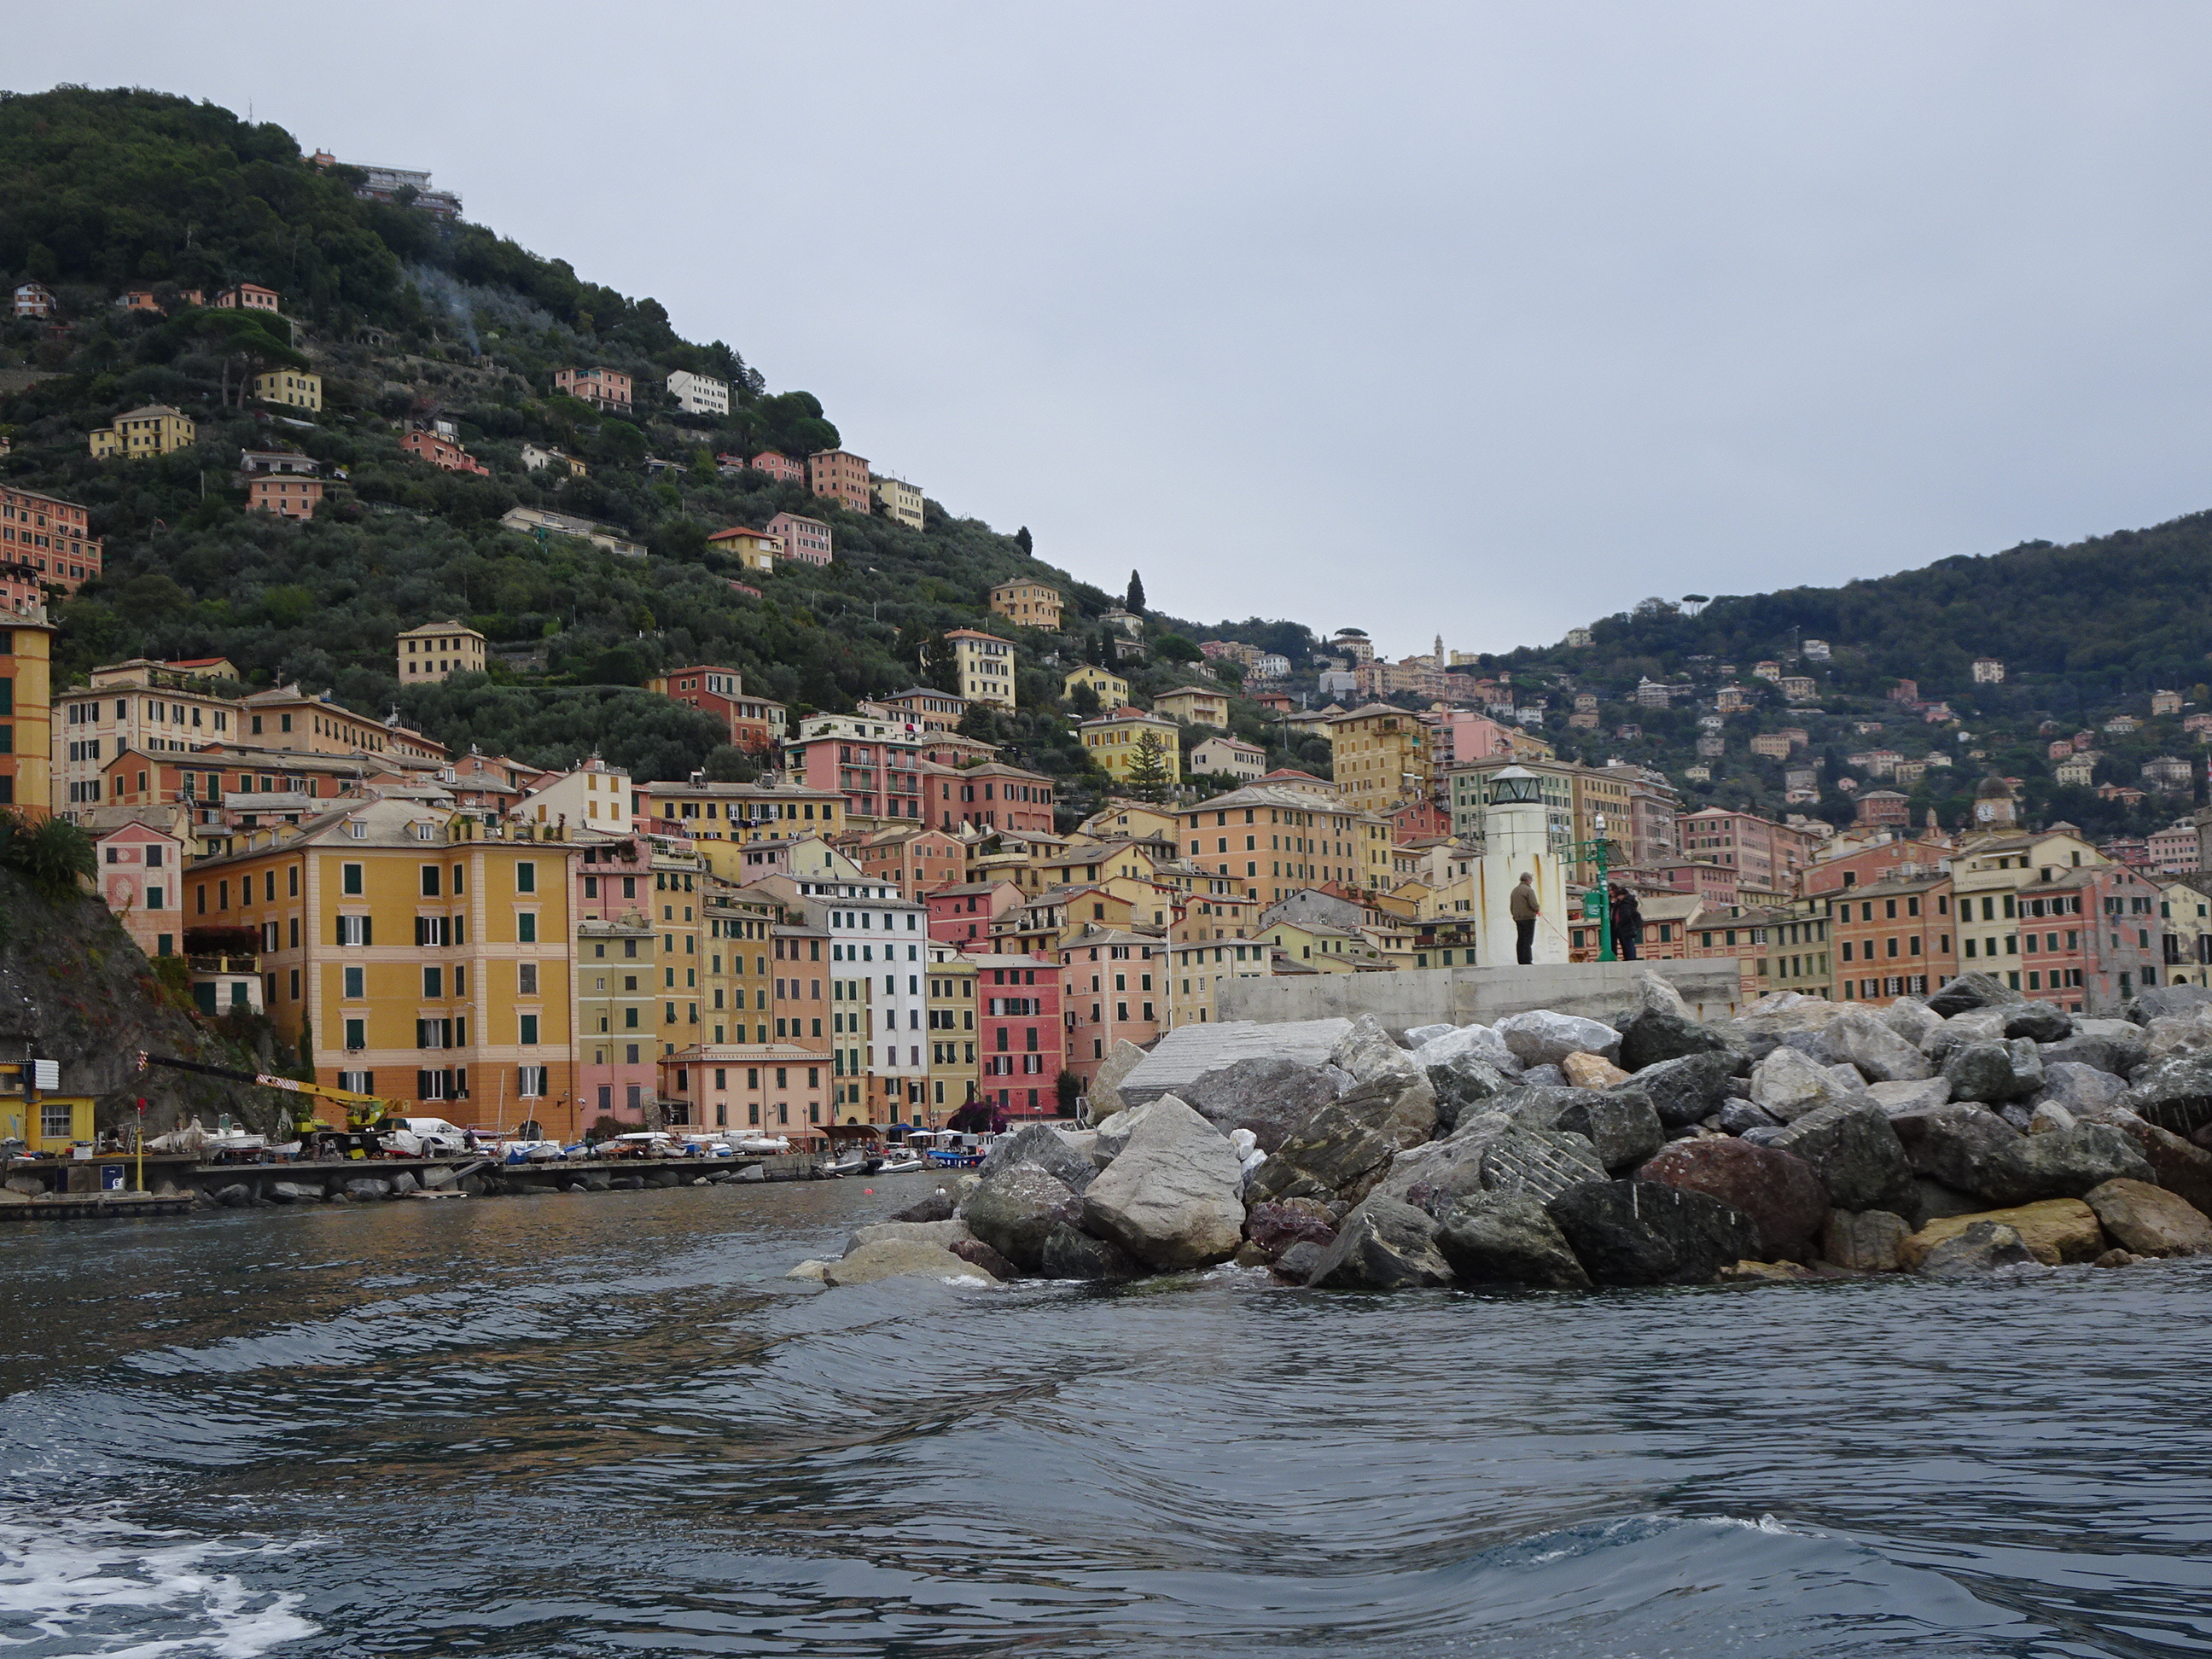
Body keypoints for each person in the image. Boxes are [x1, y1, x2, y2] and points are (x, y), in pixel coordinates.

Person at [1610, 882, 1644, 962]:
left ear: (1623, 895)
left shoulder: (1626, 904)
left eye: (1620, 896)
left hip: (1626, 927)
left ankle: (1630, 958)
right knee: (1627, 943)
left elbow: (1626, 915)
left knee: (1628, 943)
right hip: (1626, 927)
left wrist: (1619, 923)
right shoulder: (1626, 902)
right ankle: (1629, 958)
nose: (1618, 898)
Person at [1510, 871, 1540, 964]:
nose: (1531, 881)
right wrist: (1537, 909)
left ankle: (1521, 960)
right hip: (1528, 918)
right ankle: (1527, 960)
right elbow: (1533, 904)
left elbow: (1512, 905)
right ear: (1528, 880)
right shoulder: (1528, 890)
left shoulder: (1515, 890)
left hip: (1518, 918)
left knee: (1521, 939)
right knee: (1528, 940)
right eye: (1531, 879)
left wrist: (1514, 915)